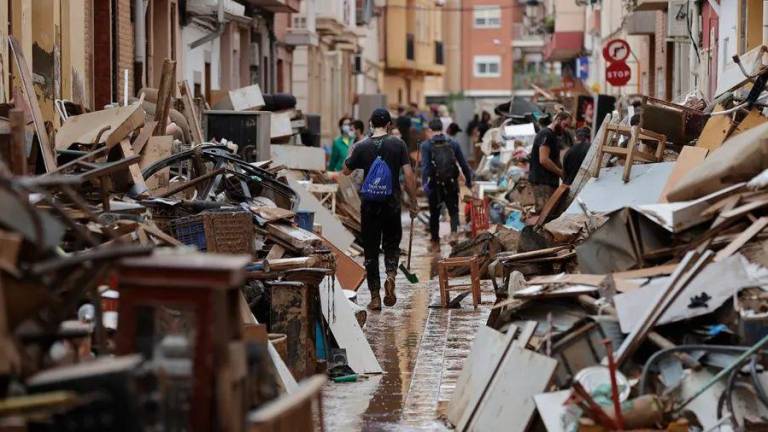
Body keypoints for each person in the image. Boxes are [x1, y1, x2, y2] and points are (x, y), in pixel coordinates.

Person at [343, 108, 419, 311]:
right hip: (392, 204)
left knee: (370, 251)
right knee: (392, 244)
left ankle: (375, 297)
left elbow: (346, 170)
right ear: (388, 125)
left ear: (370, 124)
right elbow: (409, 176)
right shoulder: (398, 144)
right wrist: (413, 201)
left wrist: (354, 152)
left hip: (370, 206)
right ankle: (392, 276)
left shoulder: (362, 146)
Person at [421, 119, 473, 246]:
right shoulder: (453, 143)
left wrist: (425, 185)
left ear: (430, 130)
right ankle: (454, 233)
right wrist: (469, 181)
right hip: (451, 183)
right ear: (442, 129)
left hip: (434, 184)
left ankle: (435, 241)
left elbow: (426, 168)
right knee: (453, 211)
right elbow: (463, 164)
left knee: (435, 213)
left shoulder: (426, 145)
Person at [529, 111, 571, 212]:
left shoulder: (552, 136)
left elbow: (553, 158)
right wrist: (559, 172)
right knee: (543, 214)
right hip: (542, 182)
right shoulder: (546, 134)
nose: (565, 129)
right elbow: (544, 160)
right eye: (564, 125)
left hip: (548, 182)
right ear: (558, 120)